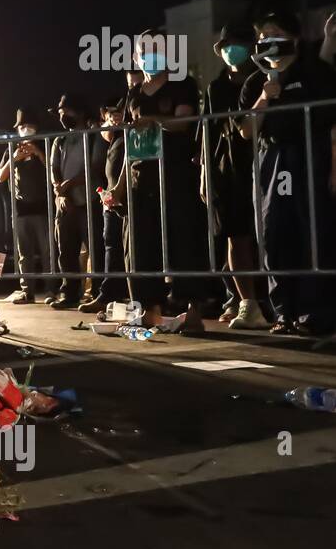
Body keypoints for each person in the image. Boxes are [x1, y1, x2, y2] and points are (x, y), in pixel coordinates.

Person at [238, 10, 336, 335]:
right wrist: (266, 95)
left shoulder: (316, 72)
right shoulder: (255, 80)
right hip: (271, 160)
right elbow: (246, 131)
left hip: (309, 155)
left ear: (292, 37)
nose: (267, 41)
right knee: (274, 235)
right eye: (262, 37)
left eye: (274, 34)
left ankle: (315, 313)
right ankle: (284, 311)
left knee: (311, 232)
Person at [125, 31, 208, 330]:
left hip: (176, 174)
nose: (149, 55)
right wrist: (120, 186)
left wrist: (155, 122)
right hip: (141, 176)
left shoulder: (182, 84)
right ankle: (150, 310)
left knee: (185, 240)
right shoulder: (134, 92)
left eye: (156, 49)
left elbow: (184, 122)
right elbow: (126, 138)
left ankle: (193, 309)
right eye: (143, 50)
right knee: (143, 245)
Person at [203, 21, 268, 329]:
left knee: (269, 235)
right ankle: (246, 302)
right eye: (226, 46)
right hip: (227, 167)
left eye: (237, 44)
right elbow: (209, 132)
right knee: (235, 236)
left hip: (265, 161)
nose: (231, 51)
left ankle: (274, 300)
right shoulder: (216, 88)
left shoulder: (263, 79)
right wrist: (205, 171)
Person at [47, 92, 106, 309]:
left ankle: (98, 292)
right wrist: (60, 191)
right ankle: (69, 292)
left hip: (89, 200)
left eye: (66, 111)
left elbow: (95, 167)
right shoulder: (59, 140)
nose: (62, 116)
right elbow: (53, 169)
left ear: (80, 112)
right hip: (65, 204)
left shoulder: (93, 136)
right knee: (66, 251)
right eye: (60, 112)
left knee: (95, 248)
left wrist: (69, 185)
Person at [0, 107, 50, 303]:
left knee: (47, 252)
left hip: (44, 208)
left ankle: (51, 290)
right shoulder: (12, 148)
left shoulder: (45, 144)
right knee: (24, 254)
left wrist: (38, 153)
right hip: (21, 209)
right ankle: (27, 291)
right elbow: (0, 177)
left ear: (37, 128)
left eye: (30, 126)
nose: (26, 130)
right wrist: (14, 158)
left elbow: (53, 171)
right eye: (22, 126)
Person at [85, 98, 130, 314]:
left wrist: (118, 190)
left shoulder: (128, 134)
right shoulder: (109, 139)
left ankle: (131, 296)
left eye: (118, 114)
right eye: (110, 116)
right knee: (112, 245)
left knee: (130, 248)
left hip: (128, 197)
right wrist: (106, 193)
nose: (115, 119)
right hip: (110, 198)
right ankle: (110, 294)